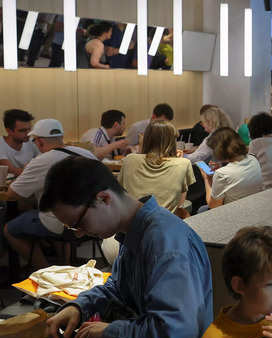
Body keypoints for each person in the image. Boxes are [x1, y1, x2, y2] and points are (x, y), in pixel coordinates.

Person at [0, 157, 215, 338]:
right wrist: (79, 306)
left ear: (104, 198)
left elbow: (176, 337)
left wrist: (109, 333)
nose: (77, 235)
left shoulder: (166, 244)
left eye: (78, 223)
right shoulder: (134, 232)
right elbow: (117, 286)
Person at [2, 119, 96, 269]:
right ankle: (65, 265)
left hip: (60, 223)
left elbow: (12, 194)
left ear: (39, 142)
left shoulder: (41, 161)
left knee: (10, 230)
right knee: (52, 216)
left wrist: (26, 171)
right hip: (90, 220)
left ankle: (46, 271)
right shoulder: (87, 154)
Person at [118, 120, 195, 213]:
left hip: (133, 222)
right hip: (164, 223)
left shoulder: (129, 160)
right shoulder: (183, 163)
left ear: (146, 139)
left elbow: (122, 194)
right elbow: (179, 203)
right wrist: (178, 160)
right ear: (172, 141)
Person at [200, 127, 263, 209]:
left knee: (201, 209)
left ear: (219, 150)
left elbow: (213, 207)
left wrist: (206, 179)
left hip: (233, 212)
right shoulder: (254, 159)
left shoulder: (222, 174)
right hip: (253, 206)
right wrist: (222, 167)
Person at [0, 109, 39, 176]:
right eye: (22, 130)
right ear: (9, 131)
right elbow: (12, 170)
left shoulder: (33, 141)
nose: (28, 133)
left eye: (29, 129)